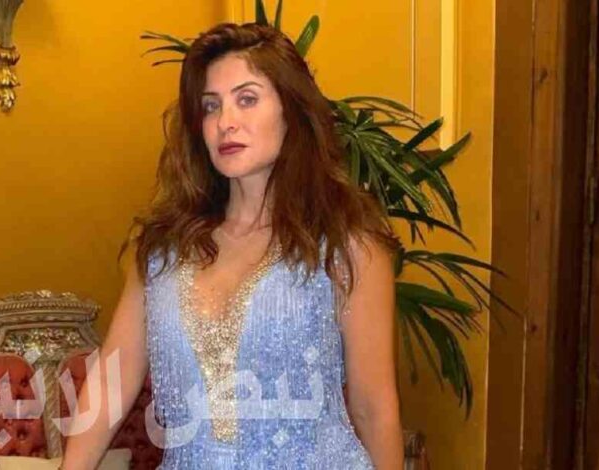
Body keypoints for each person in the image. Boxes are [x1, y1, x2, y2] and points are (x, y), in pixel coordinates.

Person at [61, 22, 403, 469]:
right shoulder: (163, 250)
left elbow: (374, 409)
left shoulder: (346, 245)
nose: (225, 122)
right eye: (211, 106)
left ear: (290, 111)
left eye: (247, 99)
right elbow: (112, 381)